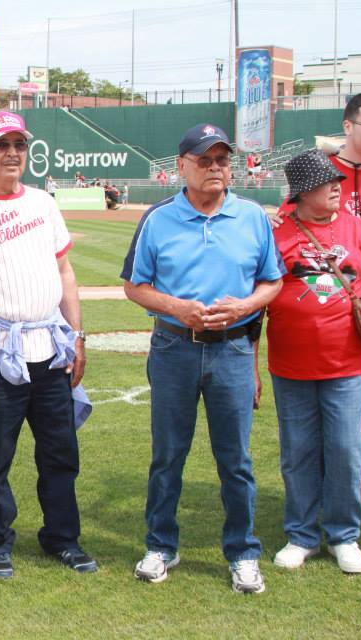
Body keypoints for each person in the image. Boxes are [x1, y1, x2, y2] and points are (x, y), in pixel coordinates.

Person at [121, 123, 283, 593]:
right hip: (174, 348)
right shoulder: (158, 218)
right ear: (182, 166)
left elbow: (272, 281)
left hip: (232, 349)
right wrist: (178, 308)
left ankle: (243, 551)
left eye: (222, 160)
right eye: (205, 160)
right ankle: (160, 545)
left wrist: (246, 306)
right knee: (168, 455)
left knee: (235, 460)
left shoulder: (251, 216)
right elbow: (134, 284)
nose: (215, 168)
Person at [0, 111, 95, 580]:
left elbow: (65, 272)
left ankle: (62, 538)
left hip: (49, 348)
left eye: (19, 145)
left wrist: (77, 336)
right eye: (2, 145)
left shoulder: (44, 204)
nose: (12, 154)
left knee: (60, 453)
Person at [265, 149, 361, 575]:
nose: (336, 186)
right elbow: (257, 297)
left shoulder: (357, 230)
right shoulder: (276, 233)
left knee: (345, 449)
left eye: (337, 180)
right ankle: (301, 535)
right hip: (291, 364)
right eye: (325, 182)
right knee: (298, 451)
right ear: (301, 193)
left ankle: (343, 535)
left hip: (349, 364)